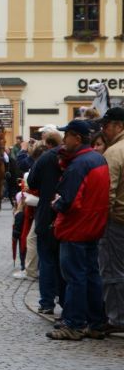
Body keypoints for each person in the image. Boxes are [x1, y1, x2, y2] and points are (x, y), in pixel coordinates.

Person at [46, 120, 109, 340]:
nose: (64, 141)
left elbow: (69, 200)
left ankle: (74, 324)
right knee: (91, 275)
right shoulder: (98, 159)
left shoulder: (79, 164)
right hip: (93, 225)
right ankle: (96, 321)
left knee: (75, 277)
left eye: (67, 136)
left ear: (78, 139)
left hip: (76, 228)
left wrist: (56, 204)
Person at [27, 136, 65, 315]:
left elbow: (32, 181)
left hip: (47, 212)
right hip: (66, 213)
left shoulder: (46, 157)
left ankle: (47, 301)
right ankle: (66, 301)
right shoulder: (75, 156)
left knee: (47, 259)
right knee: (63, 259)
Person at [98, 107, 124, 334]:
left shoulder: (114, 152)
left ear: (119, 126)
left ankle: (117, 319)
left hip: (117, 220)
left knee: (113, 271)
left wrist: (100, 221)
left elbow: (108, 193)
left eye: (106, 126)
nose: (103, 130)